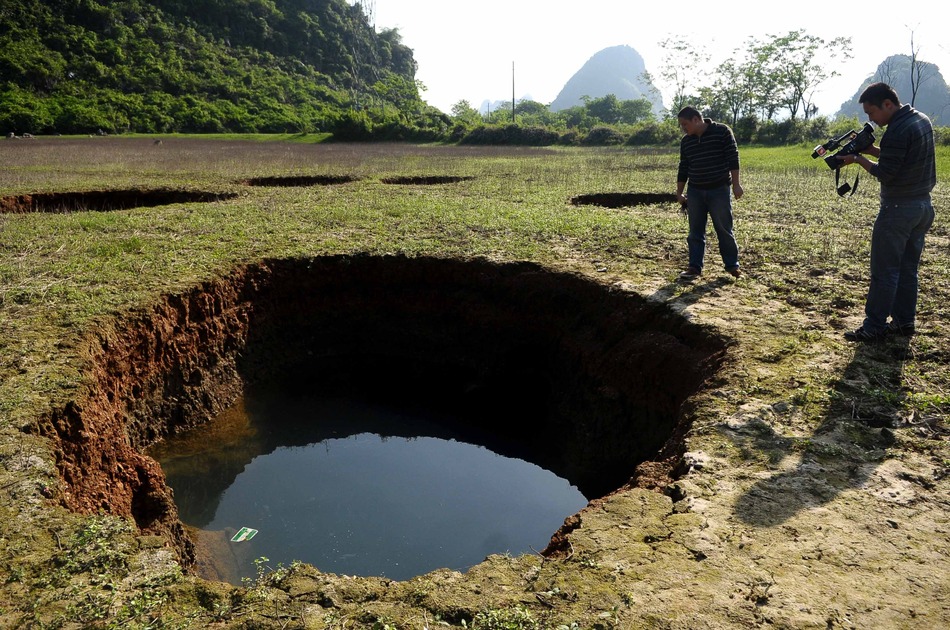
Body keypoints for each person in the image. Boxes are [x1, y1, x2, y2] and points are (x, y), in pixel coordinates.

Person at [836, 82, 936, 342]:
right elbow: (901, 158)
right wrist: (870, 150)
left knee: (885, 272)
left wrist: (857, 159)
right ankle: (904, 323)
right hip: (922, 207)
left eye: (872, 113)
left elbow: (886, 173)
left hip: (897, 209)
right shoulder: (920, 120)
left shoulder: (896, 130)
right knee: (907, 269)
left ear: (887, 105)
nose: (871, 120)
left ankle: (873, 327)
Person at [675, 106, 744, 280]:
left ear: (696, 120)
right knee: (695, 232)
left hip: (719, 189)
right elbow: (683, 167)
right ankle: (694, 268)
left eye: (685, 124)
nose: (683, 128)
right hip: (695, 191)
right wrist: (679, 192)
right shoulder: (686, 141)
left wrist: (736, 185)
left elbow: (733, 157)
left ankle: (732, 266)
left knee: (724, 228)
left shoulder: (722, 131)